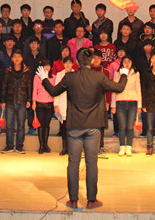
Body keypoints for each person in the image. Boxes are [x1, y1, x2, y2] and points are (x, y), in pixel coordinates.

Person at [39, 47, 129, 210]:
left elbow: (53, 91)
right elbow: (119, 88)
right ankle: (91, 200)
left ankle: (73, 200)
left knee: (73, 163)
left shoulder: (70, 77)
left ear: (77, 61)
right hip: (93, 126)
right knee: (91, 163)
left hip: (74, 125)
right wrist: (124, 74)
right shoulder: (99, 76)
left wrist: (44, 78)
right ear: (92, 61)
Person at [1, 49, 32, 154]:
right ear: (12, 59)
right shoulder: (8, 71)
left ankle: (19, 146)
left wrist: (29, 99)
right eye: (15, 57)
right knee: (9, 125)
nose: (17, 59)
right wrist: (3, 100)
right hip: (10, 101)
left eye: (19, 57)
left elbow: (29, 86)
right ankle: (9, 145)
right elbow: (4, 86)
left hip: (22, 101)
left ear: (22, 58)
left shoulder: (27, 71)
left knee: (21, 125)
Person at [111, 54, 142, 156]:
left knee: (129, 127)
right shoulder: (117, 73)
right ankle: (122, 147)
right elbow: (114, 90)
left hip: (133, 102)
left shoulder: (136, 74)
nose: (127, 64)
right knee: (122, 126)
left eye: (129, 61)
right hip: (120, 102)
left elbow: (138, 90)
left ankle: (129, 147)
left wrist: (139, 105)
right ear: (122, 63)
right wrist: (113, 105)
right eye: (125, 62)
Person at [53, 56, 74, 156]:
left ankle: (71, 148)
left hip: (72, 104)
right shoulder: (59, 74)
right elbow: (56, 90)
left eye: (70, 63)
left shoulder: (76, 74)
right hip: (62, 103)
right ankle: (64, 147)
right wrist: (56, 104)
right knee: (63, 127)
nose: (68, 65)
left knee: (72, 128)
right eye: (66, 63)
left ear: (73, 64)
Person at [32, 59, 54, 154]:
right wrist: (33, 102)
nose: (47, 67)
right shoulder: (37, 77)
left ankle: (46, 145)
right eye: (45, 65)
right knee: (41, 125)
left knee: (47, 125)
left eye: (48, 65)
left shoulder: (53, 77)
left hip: (50, 103)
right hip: (40, 103)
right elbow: (34, 90)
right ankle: (41, 145)